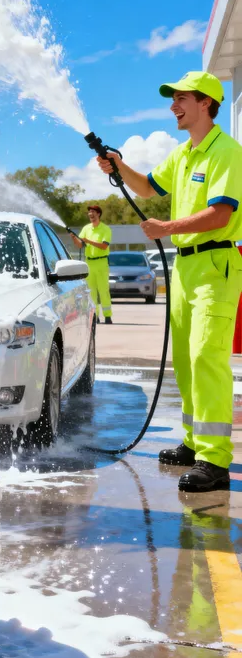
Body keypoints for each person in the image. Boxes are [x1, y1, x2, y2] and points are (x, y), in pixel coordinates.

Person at [95, 70, 242, 492]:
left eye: (181, 98)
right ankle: (196, 444)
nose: (173, 105)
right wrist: (119, 165)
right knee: (184, 359)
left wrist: (169, 227)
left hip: (215, 265)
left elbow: (221, 215)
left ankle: (215, 462)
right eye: (173, 98)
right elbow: (145, 188)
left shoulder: (226, 153)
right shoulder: (183, 155)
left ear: (206, 103)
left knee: (206, 358)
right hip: (186, 269)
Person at [72, 205, 113, 324]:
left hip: (101, 262)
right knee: (91, 291)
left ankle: (108, 316)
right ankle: (94, 316)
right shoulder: (86, 228)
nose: (90, 214)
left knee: (103, 290)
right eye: (89, 212)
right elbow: (80, 245)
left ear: (98, 214)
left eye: (93, 212)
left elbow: (104, 245)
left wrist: (88, 241)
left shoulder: (105, 229)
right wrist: (75, 239)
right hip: (89, 262)